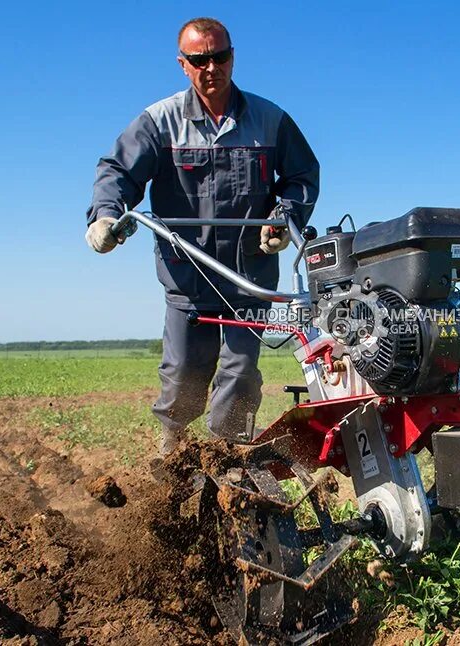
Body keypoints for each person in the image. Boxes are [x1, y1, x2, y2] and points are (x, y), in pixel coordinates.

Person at [85, 17, 319, 456]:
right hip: (187, 277)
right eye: (200, 59)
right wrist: (105, 215)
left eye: (220, 56)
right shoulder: (161, 121)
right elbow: (118, 172)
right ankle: (170, 459)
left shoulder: (270, 121)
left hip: (249, 276)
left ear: (233, 56)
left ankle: (228, 462)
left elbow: (303, 175)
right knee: (183, 376)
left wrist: (282, 217)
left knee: (241, 372)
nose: (212, 67)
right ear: (183, 64)